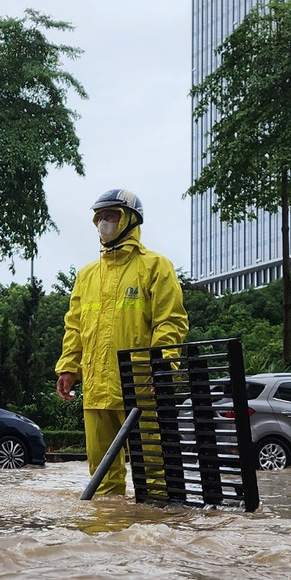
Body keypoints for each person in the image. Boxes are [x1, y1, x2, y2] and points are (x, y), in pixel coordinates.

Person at [55, 189, 188, 497]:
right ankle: (107, 540)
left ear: (130, 219)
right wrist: (68, 367)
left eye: (111, 215)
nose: (104, 223)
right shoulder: (87, 275)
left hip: (141, 386)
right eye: (99, 217)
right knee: (101, 480)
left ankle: (153, 539)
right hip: (96, 389)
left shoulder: (156, 266)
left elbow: (170, 320)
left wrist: (163, 364)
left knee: (154, 473)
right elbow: (74, 326)